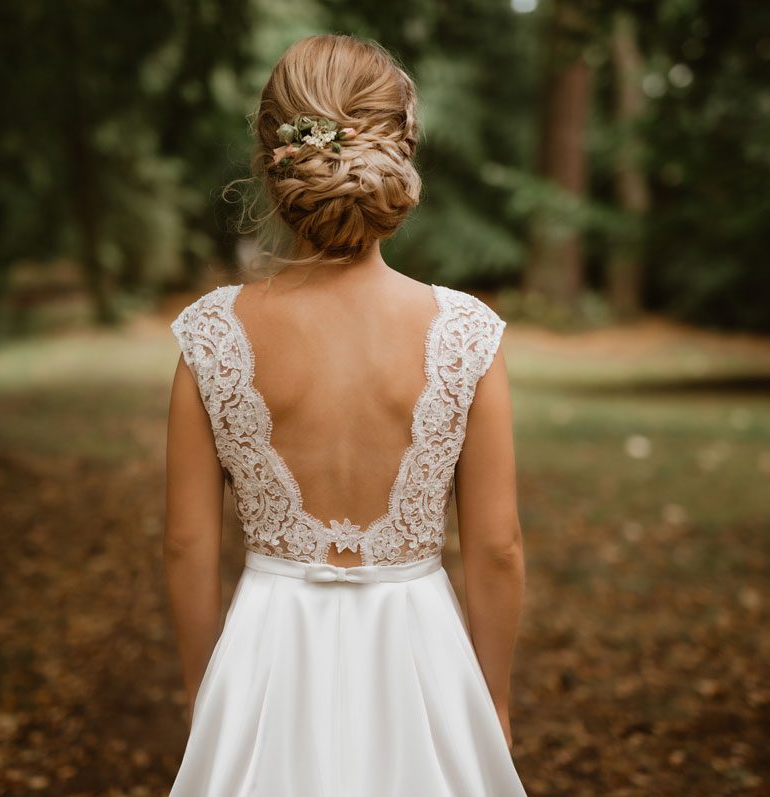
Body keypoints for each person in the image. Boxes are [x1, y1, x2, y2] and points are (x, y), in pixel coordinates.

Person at [164, 33, 527, 796]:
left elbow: (186, 542)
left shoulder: (214, 335)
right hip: (421, 655)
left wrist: (207, 689)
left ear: (272, 157)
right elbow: (497, 548)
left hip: (265, 658)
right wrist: (490, 694)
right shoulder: (465, 335)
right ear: (400, 149)